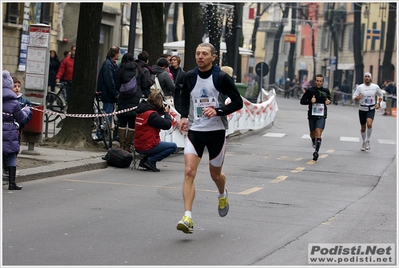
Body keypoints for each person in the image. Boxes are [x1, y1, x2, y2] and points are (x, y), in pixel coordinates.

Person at [176, 42, 243, 234]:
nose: (200, 57)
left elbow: (237, 102)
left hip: (216, 132)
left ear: (213, 57)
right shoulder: (189, 76)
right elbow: (183, 97)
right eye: (197, 53)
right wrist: (182, 117)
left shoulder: (221, 77)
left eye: (204, 54)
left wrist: (218, 110)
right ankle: (187, 216)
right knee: (189, 172)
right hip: (195, 131)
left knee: (215, 175)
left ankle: (222, 193)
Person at [134, 91, 177, 172]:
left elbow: (155, 120)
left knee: (161, 144)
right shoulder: (152, 115)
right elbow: (167, 125)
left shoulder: (141, 111)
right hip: (147, 146)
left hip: (138, 144)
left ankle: (145, 161)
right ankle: (151, 160)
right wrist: (166, 113)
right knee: (173, 146)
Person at [2, 70, 31, 190]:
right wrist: (26, 110)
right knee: (11, 154)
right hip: (9, 129)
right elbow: (21, 117)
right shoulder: (14, 102)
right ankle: (12, 183)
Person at [115, 52, 146, 153]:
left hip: (124, 98)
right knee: (132, 123)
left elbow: (116, 83)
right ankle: (128, 146)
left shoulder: (121, 69)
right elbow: (144, 84)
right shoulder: (138, 69)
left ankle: (122, 145)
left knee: (122, 122)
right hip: (135, 99)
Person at [300, 74, 331, 161]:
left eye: (320, 81)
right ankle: (313, 140)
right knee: (312, 134)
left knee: (318, 132)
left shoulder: (326, 91)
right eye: (317, 81)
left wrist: (328, 101)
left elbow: (329, 99)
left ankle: (316, 152)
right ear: (315, 81)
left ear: (323, 82)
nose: (319, 82)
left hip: (321, 115)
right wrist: (310, 101)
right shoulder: (310, 91)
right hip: (312, 116)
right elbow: (302, 101)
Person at [352, 72, 383, 151]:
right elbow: (354, 97)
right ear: (364, 78)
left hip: (371, 108)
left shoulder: (375, 87)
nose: (367, 78)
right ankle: (363, 142)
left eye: (368, 77)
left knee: (369, 124)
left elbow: (381, 95)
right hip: (362, 109)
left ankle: (368, 140)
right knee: (363, 127)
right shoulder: (360, 87)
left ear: (370, 78)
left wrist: (379, 104)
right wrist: (359, 97)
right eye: (365, 76)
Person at [97, 45, 120, 127]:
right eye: (118, 53)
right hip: (108, 94)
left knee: (108, 115)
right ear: (115, 54)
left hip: (109, 94)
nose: (119, 55)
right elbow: (109, 81)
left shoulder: (111, 64)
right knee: (107, 114)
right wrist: (115, 93)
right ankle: (101, 133)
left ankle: (105, 132)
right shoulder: (108, 64)